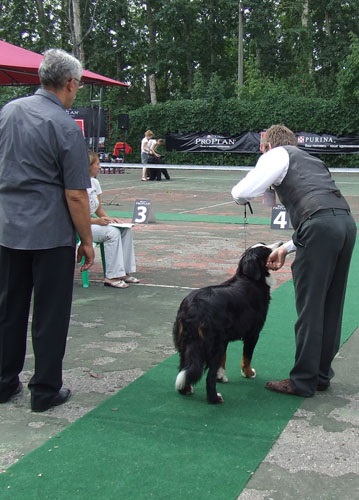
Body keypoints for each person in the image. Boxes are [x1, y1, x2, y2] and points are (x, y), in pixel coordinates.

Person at [0, 49, 94, 412]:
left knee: (8, 309)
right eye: (79, 84)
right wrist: (87, 241)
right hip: (50, 234)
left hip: (9, 229)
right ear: (70, 83)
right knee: (49, 315)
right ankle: (45, 390)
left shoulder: (8, 112)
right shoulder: (65, 127)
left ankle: (5, 382)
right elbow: (75, 194)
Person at [231, 124, 356, 398]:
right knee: (331, 305)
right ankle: (321, 376)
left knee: (310, 309)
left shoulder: (276, 155)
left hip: (319, 226)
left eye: (261, 148)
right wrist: (286, 248)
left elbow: (242, 192)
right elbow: (323, 211)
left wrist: (241, 195)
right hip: (346, 225)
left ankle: (302, 381)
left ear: (267, 145)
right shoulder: (312, 159)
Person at [88, 151, 140, 289]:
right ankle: (111, 276)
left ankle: (124, 272)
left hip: (92, 223)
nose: (100, 167)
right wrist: (95, 222)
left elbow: (98, 209)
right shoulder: (76, 184)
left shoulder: (95, 182)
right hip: (80, 226)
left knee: (124, 230)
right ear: (88, 166)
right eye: (97, 164)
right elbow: (74, 214)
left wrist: (108, 219)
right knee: (112, 233)